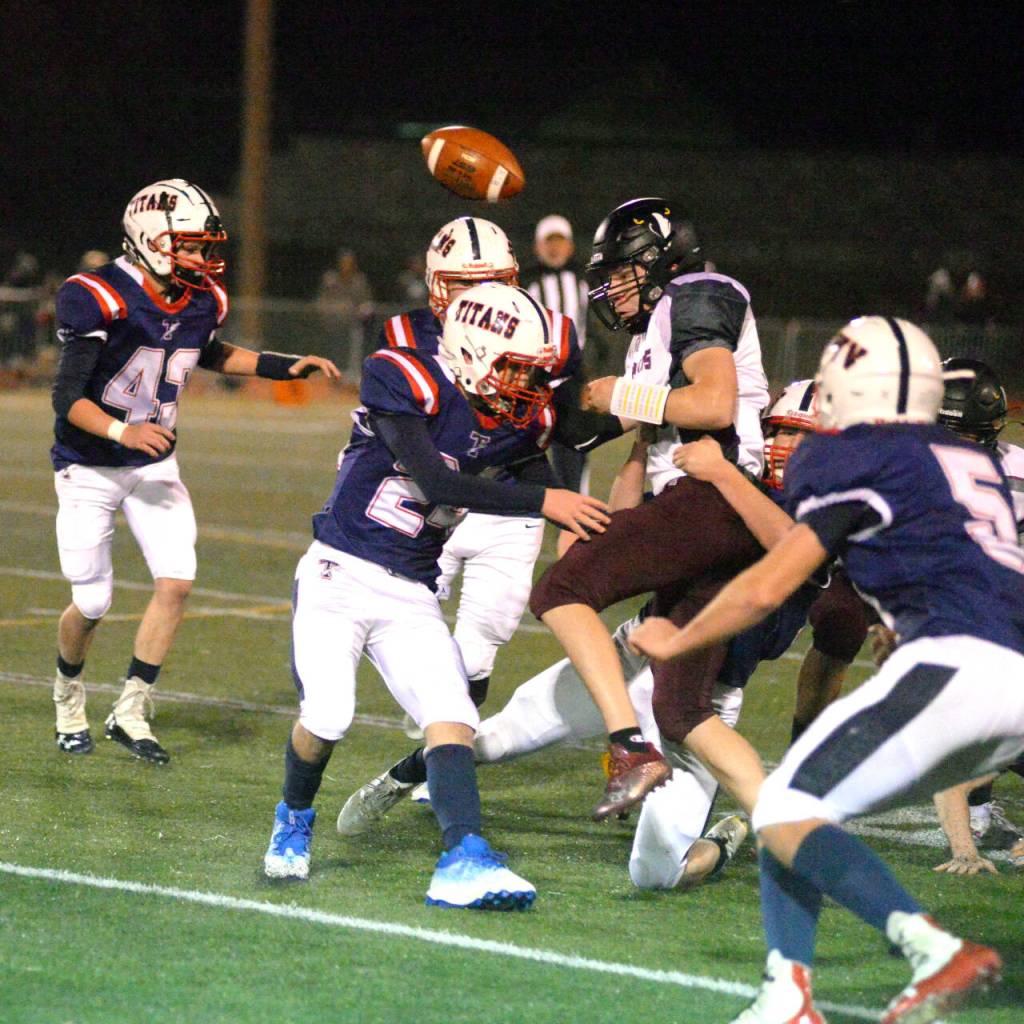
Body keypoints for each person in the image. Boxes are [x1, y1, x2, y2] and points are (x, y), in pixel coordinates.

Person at [629, 316, 1023, 1024]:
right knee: (796, 802)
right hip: (1006, 676)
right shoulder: (976, 462)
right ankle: (787, 993)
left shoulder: (852, 455)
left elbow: (766, 585)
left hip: (957, 670)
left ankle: (931, 947)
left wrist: (676, 636)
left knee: (782, 806)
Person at [338, 381, 867, 891]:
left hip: (705, 703)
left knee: (657, 875)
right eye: (778, 430)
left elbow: (795, 549)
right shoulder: (731, 486)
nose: (782, 444)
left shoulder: (830, 508)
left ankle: (726, 838)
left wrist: (726, 476)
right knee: (498, 739)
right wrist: (642, 446)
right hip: (637, 657)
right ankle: (403, 775)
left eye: (801, 434)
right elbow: (636, 521)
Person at [262, 282, 610, 909]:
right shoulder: (405, 380)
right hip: (340, 573)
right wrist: (544, 499)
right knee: (329, 716)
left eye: (533, 374)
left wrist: (584, 496)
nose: (525, 386)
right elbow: (431, 476)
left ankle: (464, 855)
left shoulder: (512, 418)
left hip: (411, 593)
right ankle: (294, 814)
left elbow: (539, 474)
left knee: (454, 714)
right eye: (514, 369)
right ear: (472, 353)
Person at [51, 179, 341, 764]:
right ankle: (67, 691)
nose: (203, 257)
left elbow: (208, 350)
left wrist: (285, 367)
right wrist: (121, 430)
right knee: (93, 601)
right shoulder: (98, 294)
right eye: (190, 245)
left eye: (205, 245)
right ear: (152, 240)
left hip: (154, 462)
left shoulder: (202, 298)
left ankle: (131, 706)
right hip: (90, 463)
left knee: (177, 580)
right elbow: (67, 397)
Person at [528, 197, 771, 821]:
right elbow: (644, 447)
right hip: (702, 516)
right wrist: (601, 523)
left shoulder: (697, 293)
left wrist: (625, 395)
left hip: (714, 501)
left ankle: (629, 750)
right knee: (681, 708)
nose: (608, 287)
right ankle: (793, 831)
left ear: (658, 261)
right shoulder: (653, 333)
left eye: (618, 270)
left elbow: (715, 404)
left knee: (561, 590)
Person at [378, 216, 612, 761]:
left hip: (510, 503)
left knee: (477, 654)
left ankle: (438, 762)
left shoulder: (552, 333)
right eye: (463, 283)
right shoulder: (402, 337)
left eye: (495, 281)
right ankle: (441, 746)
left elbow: (564, 427)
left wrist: (644, 409)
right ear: (437, 283)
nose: (480, 295)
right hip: (422, 506)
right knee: (407, 641)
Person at [522, 214, 597, 554]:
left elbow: (593, 329)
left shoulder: (584, 282)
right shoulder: (526, 283)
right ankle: (529, 515)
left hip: (571, 376)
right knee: (526, 444)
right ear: (539, 246)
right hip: (532, 377)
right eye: (548, 241)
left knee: (575, 448)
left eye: (560, 241)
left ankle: (578, 514)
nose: (554, 248)